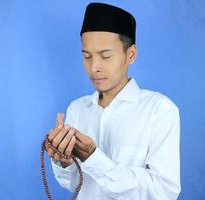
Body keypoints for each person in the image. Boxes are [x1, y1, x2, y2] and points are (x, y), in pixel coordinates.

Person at [45, 2, 181, 199]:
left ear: (131, 54)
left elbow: (163, 192)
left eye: (105, 56)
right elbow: (74, 185)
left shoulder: (159, 110)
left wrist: (94, 158)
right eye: (87, 56)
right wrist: (64, 161)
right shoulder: (77, 109)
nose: (94, 67)